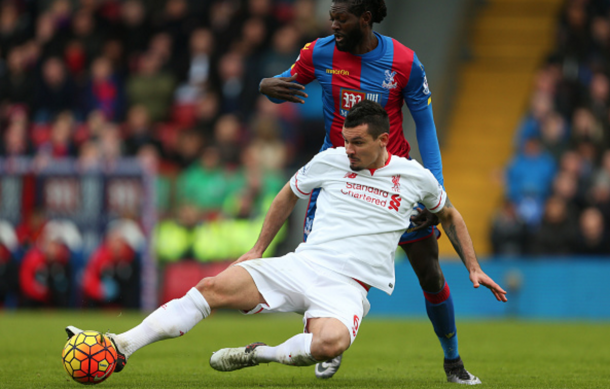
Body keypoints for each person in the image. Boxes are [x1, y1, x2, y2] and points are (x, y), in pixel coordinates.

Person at [66, 101, 506, 380]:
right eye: (346, 141)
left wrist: (472, 266)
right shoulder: (330, 160)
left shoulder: (415, 178)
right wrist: (258, 249)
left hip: (347, 287)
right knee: (211, 287)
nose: (348, 150)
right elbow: (287, 196)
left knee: (331, 343)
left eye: (357, 143)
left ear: (383, 139)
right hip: (302, 265)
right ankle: (120, 346)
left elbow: (449, 214)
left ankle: (261, 354)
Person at [258, 0, 480, 384]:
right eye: (331, 18)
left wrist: (435, 189)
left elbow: (425, 127)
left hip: (395, 184)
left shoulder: (404, 62)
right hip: (339, 184)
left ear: (365, 19)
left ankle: (453, 361)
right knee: (324, 270)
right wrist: (265, 86)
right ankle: (326, 344)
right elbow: (284, 83)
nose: (333, 26)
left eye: (340, 19)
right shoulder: (319, 52)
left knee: (430, 274)